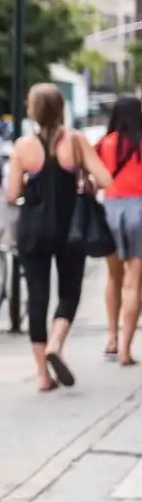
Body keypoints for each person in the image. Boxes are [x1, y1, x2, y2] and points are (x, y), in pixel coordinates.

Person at [8, 83, 113, 392]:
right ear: (61, 109)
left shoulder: (23, 147)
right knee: (69, 292)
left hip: (33, 231)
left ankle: (42, 376)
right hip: (70, 229)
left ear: (33, 110)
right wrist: (87, 180)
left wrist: (29, 183)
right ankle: (56, 343)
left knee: (37, 297)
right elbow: (106, 178)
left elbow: (12, 193)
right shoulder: (76, 142)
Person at [96, 97, 142, 365]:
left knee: (113, 278)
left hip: (111, 210)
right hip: (140, 210)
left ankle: (111, 338)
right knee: (134, 282)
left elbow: (91, 176)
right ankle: (126, 349)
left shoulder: (105, 143)